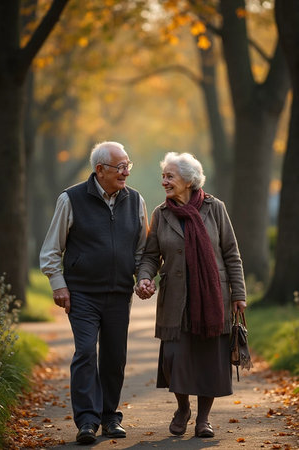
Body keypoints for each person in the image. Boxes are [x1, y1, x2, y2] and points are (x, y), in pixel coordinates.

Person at [40, 141, 149, 444]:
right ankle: (87, 421)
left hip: (118, 293)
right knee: (86, 352)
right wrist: (58, 284)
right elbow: (51, 250)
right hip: (82, 293)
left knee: (114, 357)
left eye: (128, 165)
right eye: (120, 167)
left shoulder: (136, 200)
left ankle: (110, 417)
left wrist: (142, 278)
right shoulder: (71, 199)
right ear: (100, 170)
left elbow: (142, 250)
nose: (126, 172)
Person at [136, 152, 246, 439]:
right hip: (175, 299)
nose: (164, 181)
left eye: (169, 176)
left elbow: (231, 254)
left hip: (213, 297)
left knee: (209, 359)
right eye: (163, 176)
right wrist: (145, 277)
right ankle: (183, 408)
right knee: (175, 359)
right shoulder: (161, 214)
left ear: (188, 180)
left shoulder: (215, 208)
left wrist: (239, 294)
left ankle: (204, 419)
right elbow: (150, 255)